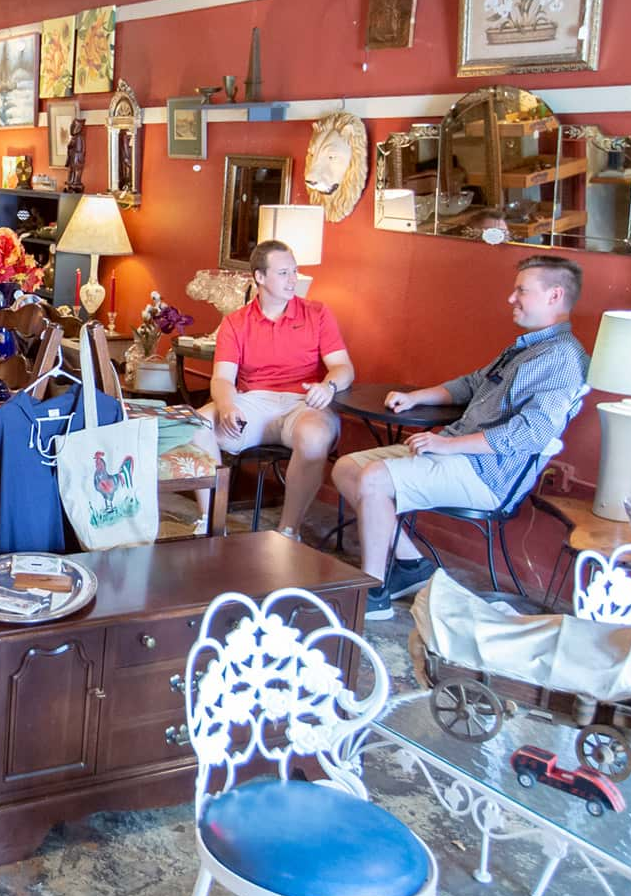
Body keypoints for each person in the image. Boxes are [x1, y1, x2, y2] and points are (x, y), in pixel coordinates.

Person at [331, 255, 590, 620]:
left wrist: (445, 444)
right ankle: (410, 566)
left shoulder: (561, 358)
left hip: (487, 475)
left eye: (521, 291)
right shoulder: (528, 347)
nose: (510, 299)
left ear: (554, 296)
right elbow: (472, 384)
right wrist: (417, 396)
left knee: (374, 478)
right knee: (347, 468)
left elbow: (531, 433)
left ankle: (373, 592)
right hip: (457, 457)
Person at [201, 239, 354, 537]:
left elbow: (344, 367)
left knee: (314, 437)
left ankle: (288, 531)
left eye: (295, 272)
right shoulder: (235, 323)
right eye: (284, 273)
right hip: (254, 402)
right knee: (197, 425)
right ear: (259, 277)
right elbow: (221, 379)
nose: (293, 280)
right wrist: (228, 405)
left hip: (304, 402)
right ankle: (210, 524)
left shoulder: (317, 313)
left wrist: (329, 386)